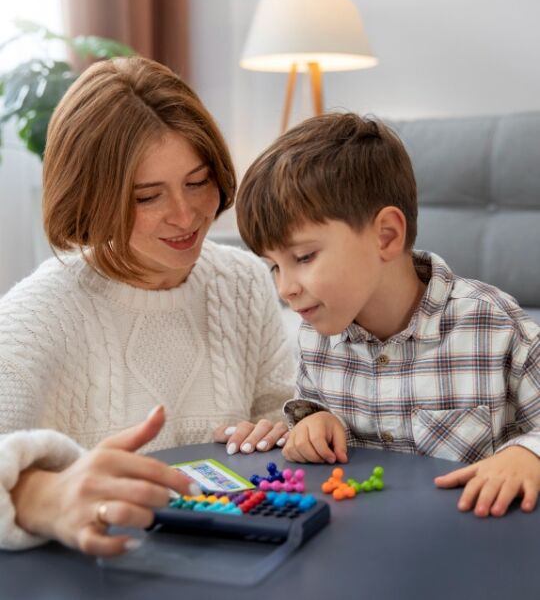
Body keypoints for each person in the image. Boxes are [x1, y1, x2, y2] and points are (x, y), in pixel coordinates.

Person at [0, 57, 294, 554]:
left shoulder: (243, 280)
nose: (185, 215)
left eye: (198, 181)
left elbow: (279, 406)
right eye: (147, 196)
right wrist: (38, 496)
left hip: (233, 557)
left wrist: (282, 426)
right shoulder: (36, 316)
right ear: (91, 200)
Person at [235, 112, 540, 518]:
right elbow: (312, 407)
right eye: (274, 266)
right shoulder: (317, 334)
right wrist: (315, 423)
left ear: (386, 236)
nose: (284, 287)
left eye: (303, 257)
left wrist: (527, 456)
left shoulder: (494, 324)